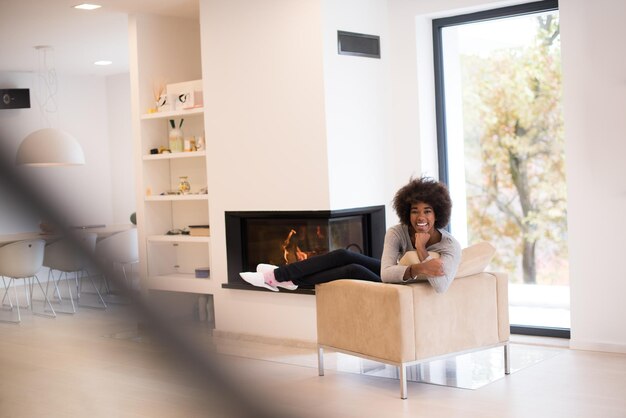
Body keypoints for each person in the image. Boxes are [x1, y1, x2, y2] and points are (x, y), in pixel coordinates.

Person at [239, 177, 461, 293]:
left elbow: (441, 287)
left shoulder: (450, 246)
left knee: (353, 269)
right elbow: (385, 271)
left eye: (427, 211)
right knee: (343, 255)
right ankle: (281, 276)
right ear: (406, 212)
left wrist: (421, 251)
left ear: (438, 213)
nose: (420, 217)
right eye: (415, 211)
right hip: (397, 278)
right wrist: (418, 267)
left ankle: (280, 278)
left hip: (405, 291)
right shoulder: (397, 232)